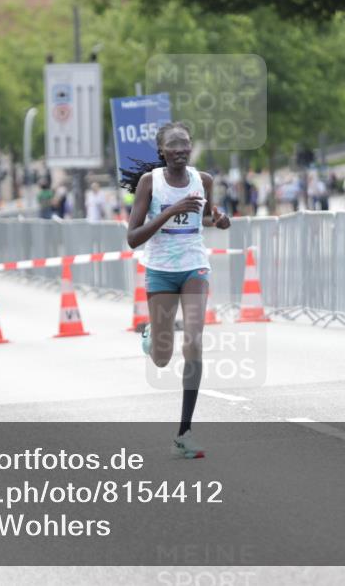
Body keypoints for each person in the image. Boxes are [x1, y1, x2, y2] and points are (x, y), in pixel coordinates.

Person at [123, 121, 231, 459]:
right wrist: (170, 210)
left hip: (194, 266)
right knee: (162, 356)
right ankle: (152, 334)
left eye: (185, 144)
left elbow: (205, 218)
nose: (180, 150)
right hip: (160, 270)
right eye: (173, 146)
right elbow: (133, 237)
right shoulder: (149, 183)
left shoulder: (204, 181)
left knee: (194, 340)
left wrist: (219, 218)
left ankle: (184, 433)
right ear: (161, 152)